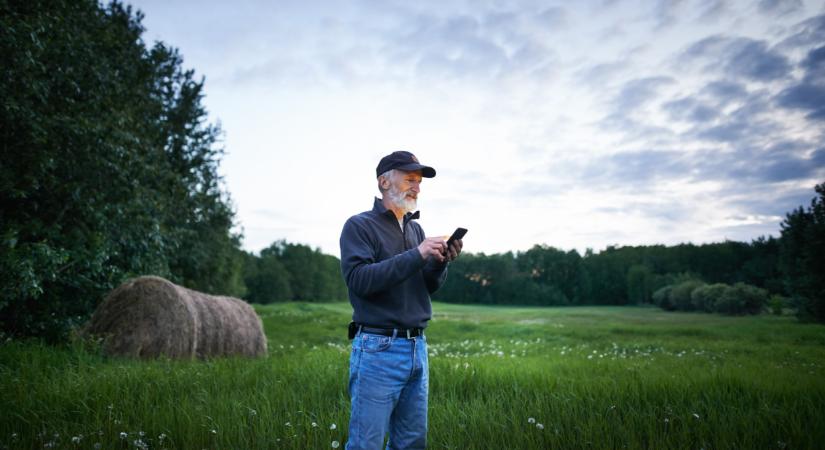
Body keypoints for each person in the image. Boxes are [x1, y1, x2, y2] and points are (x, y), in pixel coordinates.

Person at [339, 151, 463, 450]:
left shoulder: (415, 229)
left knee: (410, 443)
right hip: (378, 350)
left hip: (416, 348)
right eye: (410, 179)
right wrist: (418, 254)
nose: (417, 187)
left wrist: (440, 262)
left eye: (419, 182)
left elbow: (424, 288)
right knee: (365, 444)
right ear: (384, 181)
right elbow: (360, 281)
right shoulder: (359, 226)